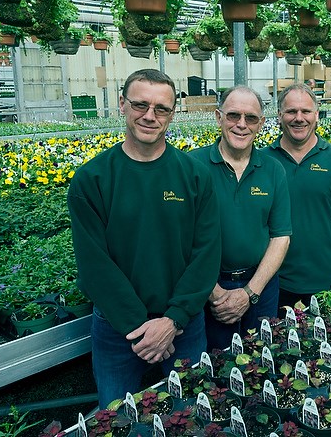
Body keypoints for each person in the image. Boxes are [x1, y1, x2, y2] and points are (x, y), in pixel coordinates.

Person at [67, 69, 221, 408]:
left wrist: (173, 320)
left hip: (183, 325)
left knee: (191, 413)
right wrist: (141, 328)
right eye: (140, 105)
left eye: (161, 108)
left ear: (173, 112)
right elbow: (95, 266)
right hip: (118, 329)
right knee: (117, 417)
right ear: (122, 104)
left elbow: (207, 252)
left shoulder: (194, 175)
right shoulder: (92, 179)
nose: (150, 116)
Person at [190, 86, 291, 350]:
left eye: (251, 118)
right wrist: (215, 293)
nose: (242, 125)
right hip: (207, 290)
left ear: (262, 124)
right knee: (214, 369)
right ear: (218, 117)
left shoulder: (272, 169)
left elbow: (280, 236)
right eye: (233, 115)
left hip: (261, 286)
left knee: (263, 359)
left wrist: (250, 292)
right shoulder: (192, 166)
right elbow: (179, 239)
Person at [264, 84, 331, 311]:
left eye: (306, 111)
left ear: (316, 115)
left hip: (326, 280)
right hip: (274, 283)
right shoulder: (264, 161)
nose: (299, 118)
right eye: (291, 111)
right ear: (279, 116)